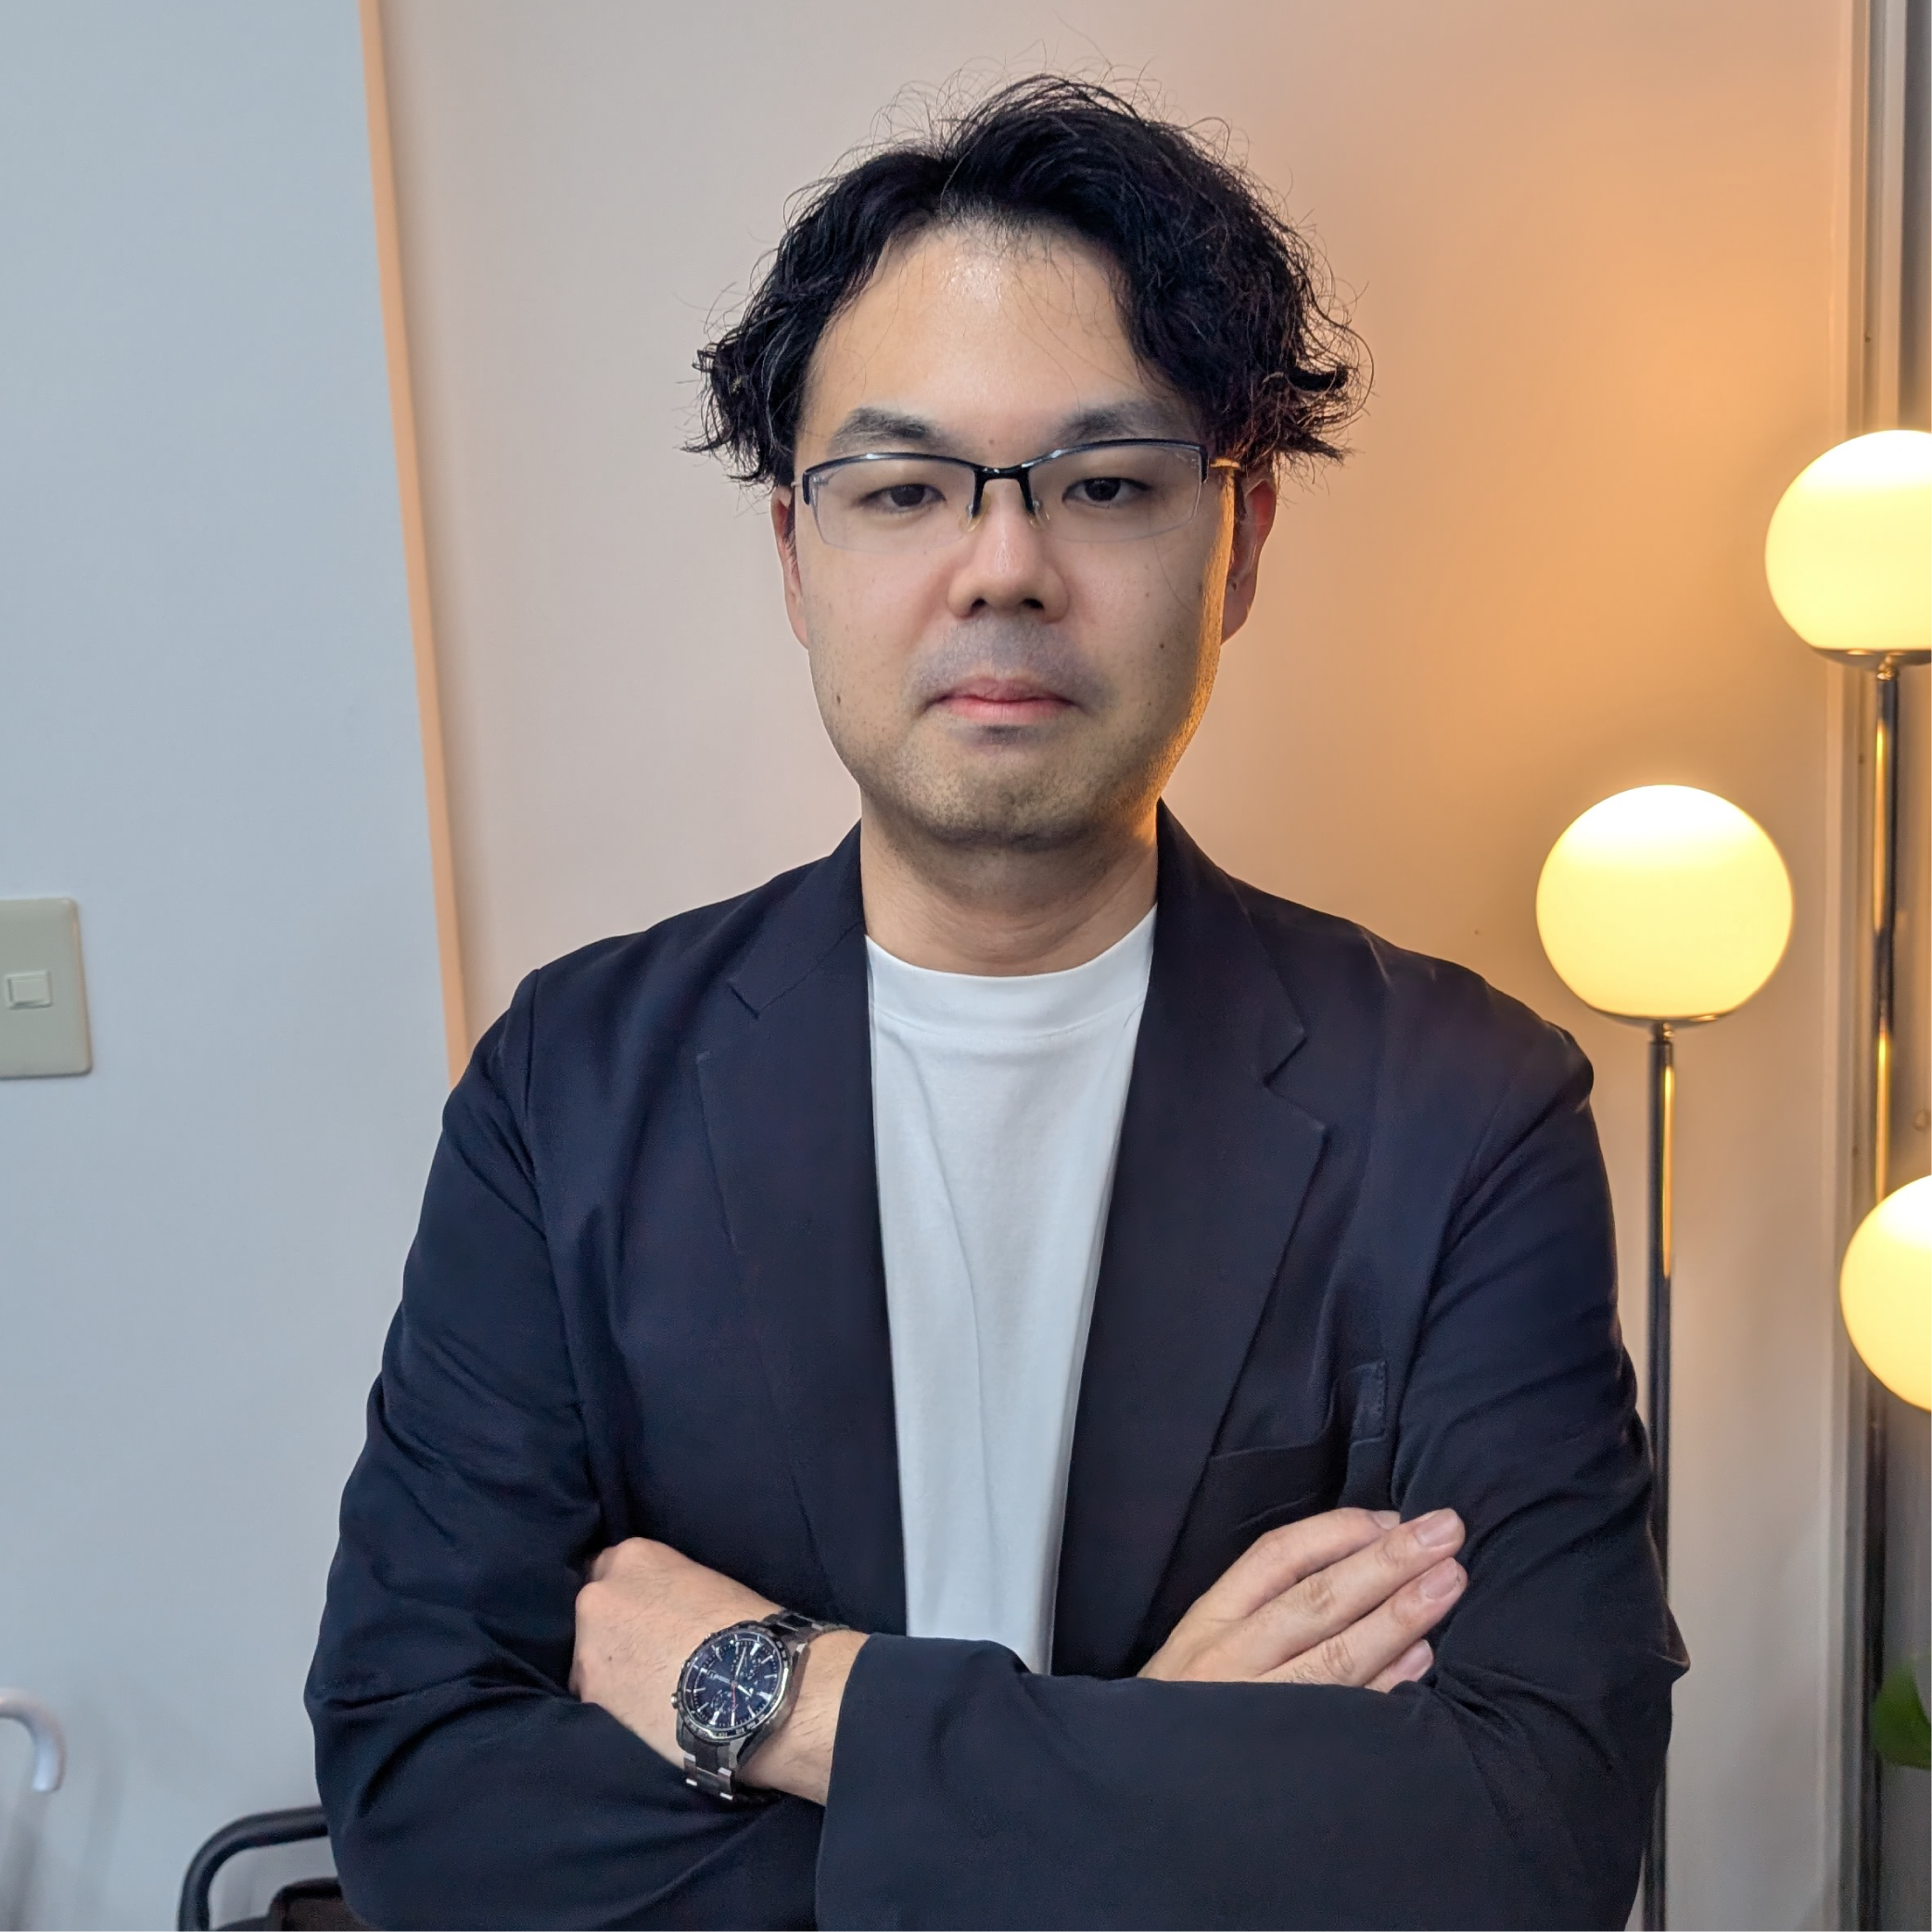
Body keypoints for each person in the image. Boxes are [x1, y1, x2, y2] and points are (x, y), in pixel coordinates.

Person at [307, 75, 1683, 1932]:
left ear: (1239, 543)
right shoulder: (572, 1089)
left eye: (1104, 486)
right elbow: (422, 1805)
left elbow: (1532, 1841)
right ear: (796, 558)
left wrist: (785, 1698)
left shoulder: (1461, 1105)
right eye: (902, 489)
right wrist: (1156, 1757)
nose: (1007, 564)